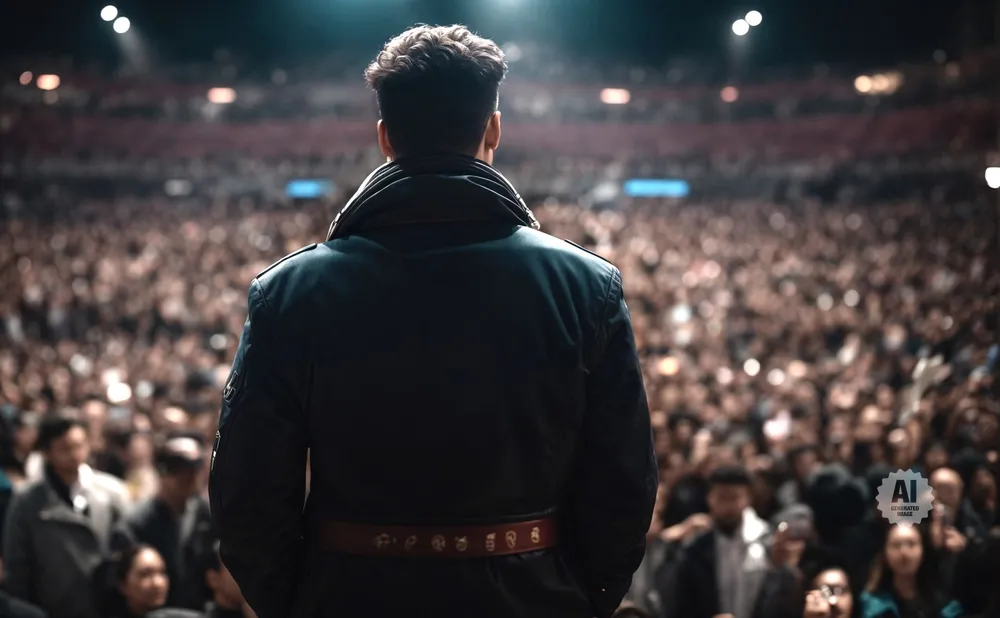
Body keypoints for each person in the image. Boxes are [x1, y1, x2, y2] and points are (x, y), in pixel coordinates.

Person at [209, 23, 657, 618]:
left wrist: (301, 601)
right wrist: (572, 597)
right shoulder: (586, 286)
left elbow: (247, 497)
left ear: (385, 138)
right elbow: (624, 488)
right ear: (493, 128)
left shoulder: (289, 292)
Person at [2, 411, 126, 618]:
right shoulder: (27, 501)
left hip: (104, 605)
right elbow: (17, 565)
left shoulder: (111, 492)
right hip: (51, 606)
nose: (75, 454)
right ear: (46, 452)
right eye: (65, 448)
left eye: (79, 445)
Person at [662, 464, 800, 618]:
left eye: (734, 497)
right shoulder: (695, 549)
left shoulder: (767, 541)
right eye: (721, 497)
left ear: (748, 498)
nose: (728, 505)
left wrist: (782, 566)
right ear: (709, 499)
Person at [114, 437, 215, 609]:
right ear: (162, 471)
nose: (187, 477)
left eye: (193, 470)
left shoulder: (209, 516)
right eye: (178, 471)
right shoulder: (138, 523)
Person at [859, 524, 963, 618]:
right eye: (896, 545)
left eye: (911, 544)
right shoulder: (871, 605)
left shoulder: (944, 605)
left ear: (922, 552)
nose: (904, 552)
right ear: (885, 554)